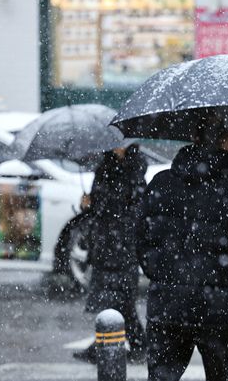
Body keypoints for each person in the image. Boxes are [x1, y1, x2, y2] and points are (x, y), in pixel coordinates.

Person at [136, 123, 228, 381]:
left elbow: (142, 237)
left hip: (168, 305)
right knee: (219, 376)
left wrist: (161, 272)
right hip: (217, 310)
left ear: (193, 136)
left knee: (162, 376)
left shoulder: (161, 183)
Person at [73, 143, 147, 363]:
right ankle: (109, 342)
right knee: (108, 297)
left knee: (122, 299)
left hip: (124, 243)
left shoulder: (136, 169)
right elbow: (100, 206)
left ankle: (134, 343)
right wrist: (87, 204)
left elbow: (135, 207)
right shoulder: (104, 167)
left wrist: (106, 205)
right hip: (103, 242)